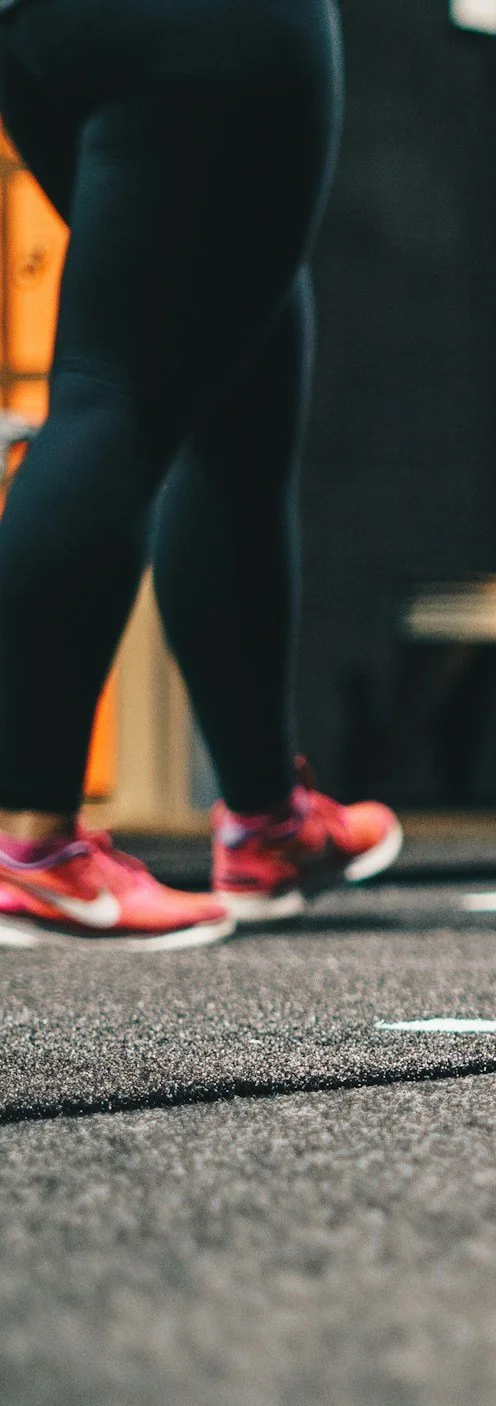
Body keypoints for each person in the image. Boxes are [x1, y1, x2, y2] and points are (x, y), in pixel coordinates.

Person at [0, 0, 398, 949]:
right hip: (209, 25)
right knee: (116, 393)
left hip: (36, 34)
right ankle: (33, 849)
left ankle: (265, 826)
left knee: (232, 387)